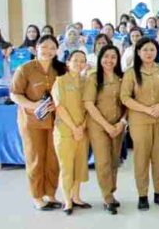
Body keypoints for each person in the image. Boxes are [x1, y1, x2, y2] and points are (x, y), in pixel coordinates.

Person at [10, 35, 67, 211]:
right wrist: (33, 105)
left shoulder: (60, 69)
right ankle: (37, 196)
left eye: (52, 47)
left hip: (55, 121)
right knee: (35, 158)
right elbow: (15, 94)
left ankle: (50, 194)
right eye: (44, 47)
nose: (48, 51)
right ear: (36, 48)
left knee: (53, 158)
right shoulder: (25, 69)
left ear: (57, 50)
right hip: (32, 121)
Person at [120, 37, 159, 210]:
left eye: (152, 49)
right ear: (138, 52)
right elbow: (125, 97)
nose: (149, 53)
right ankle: (142, 195)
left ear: (157, 51)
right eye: (145, 50)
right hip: (140, 121)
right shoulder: (130, 72)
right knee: (141, 159)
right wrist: (145, 109)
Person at [83, 45, 126, 215]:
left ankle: (111, 191)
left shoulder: (121, 78)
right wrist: (107, 126)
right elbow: (88, 103)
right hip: (98, 126)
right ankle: (107, 197)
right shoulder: (93, 78)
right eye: (106, 56)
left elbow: (127, 102)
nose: (109, 60)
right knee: (103, 161)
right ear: (100, 58)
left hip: (118, 126)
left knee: (115, 160)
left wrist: (121, 123)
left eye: (113, 57)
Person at [51, 50, 89, 215]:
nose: (79, 64)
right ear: (68, 62)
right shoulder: (60, 81)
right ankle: (67, 200)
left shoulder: (86, 82)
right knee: (66, 166)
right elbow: (59, 107)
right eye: (75, 60)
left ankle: (76, 197)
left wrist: (82, 127)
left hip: (83, 130)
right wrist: (74, 128)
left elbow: (89, 106)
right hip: (65, 131)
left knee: (79, 165)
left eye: (82, 61)